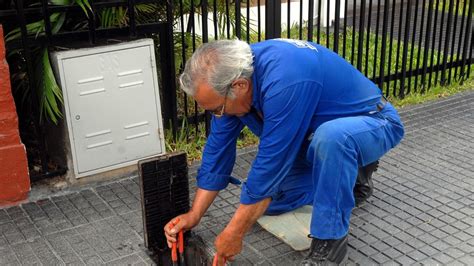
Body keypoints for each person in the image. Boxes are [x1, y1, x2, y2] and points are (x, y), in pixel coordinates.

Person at [164, 39, 404, 265]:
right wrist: (194, 215)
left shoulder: (285, 80)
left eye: (217, 109)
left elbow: (272, 163)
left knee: (333, 138)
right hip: (310, 139)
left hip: (373, 123)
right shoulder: (231, 78)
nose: (218, 115)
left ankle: (330, 246)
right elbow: (217, 152)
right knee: (268, 204)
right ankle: (349, 177)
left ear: (239, 85)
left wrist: (234, 233)